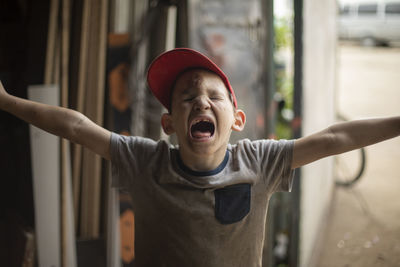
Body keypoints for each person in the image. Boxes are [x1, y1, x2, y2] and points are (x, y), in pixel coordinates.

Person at [0, 48, 399, 266]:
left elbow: (335, 136)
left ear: (237, 119)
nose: (201, 102)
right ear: (170, 124)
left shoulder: (259, 163)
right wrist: (6, 100)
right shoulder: (145, 162)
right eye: (188, 98)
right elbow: (75, 126)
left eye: (213, 96)